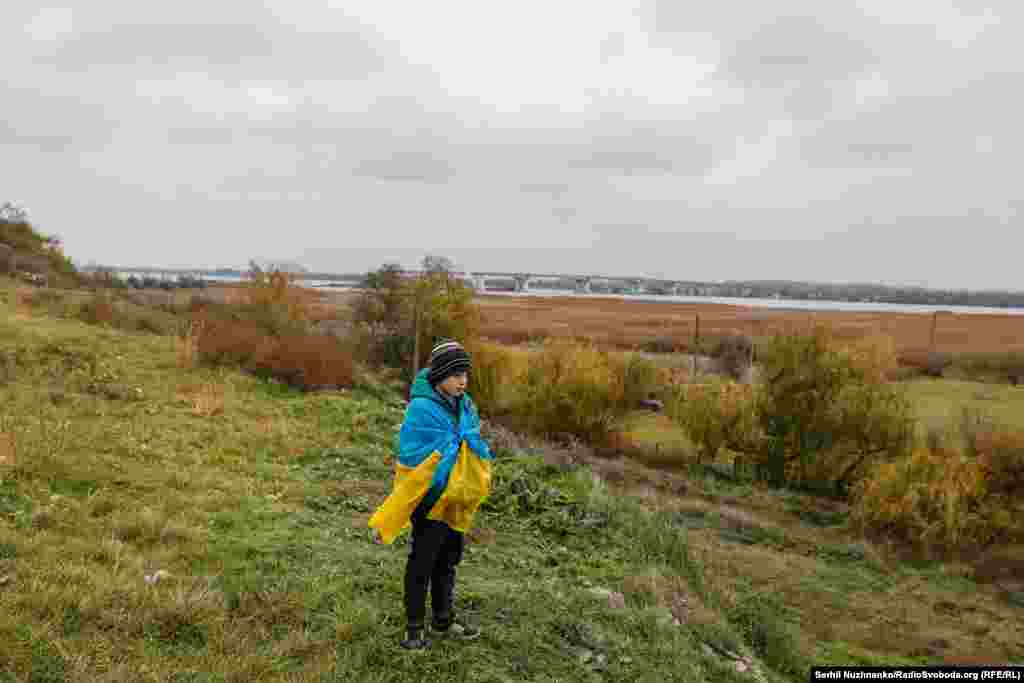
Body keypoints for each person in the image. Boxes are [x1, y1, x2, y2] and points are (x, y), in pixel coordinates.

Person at [368, 339, 495, 650]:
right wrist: (450, 453)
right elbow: (413, 454)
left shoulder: (464, 404)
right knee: (422, 563)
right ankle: (414, 628)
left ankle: (443, 619)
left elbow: (471, 438)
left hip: (455, 499)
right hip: (429, 498)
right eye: (456, 375)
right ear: (439, 376)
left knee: (448, 561)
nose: (463, 381)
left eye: (465, 374)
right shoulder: (421, 409)